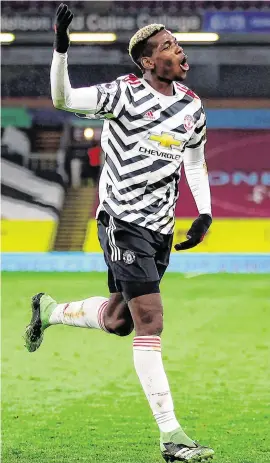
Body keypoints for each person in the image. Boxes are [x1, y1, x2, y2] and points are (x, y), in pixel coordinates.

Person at [24, 4, 214, 462]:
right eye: (168, 46)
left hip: (160, 228)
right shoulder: (123, 95)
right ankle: (172, 438)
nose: (178, 50)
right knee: (151, 320)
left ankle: (49, 311)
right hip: (121, 220)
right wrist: (61, 47)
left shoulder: (191, 106)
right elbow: (64, 99)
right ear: (148, 61)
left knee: (119, 320)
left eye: (176, 43)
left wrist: (204, 213)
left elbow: (194, 160)